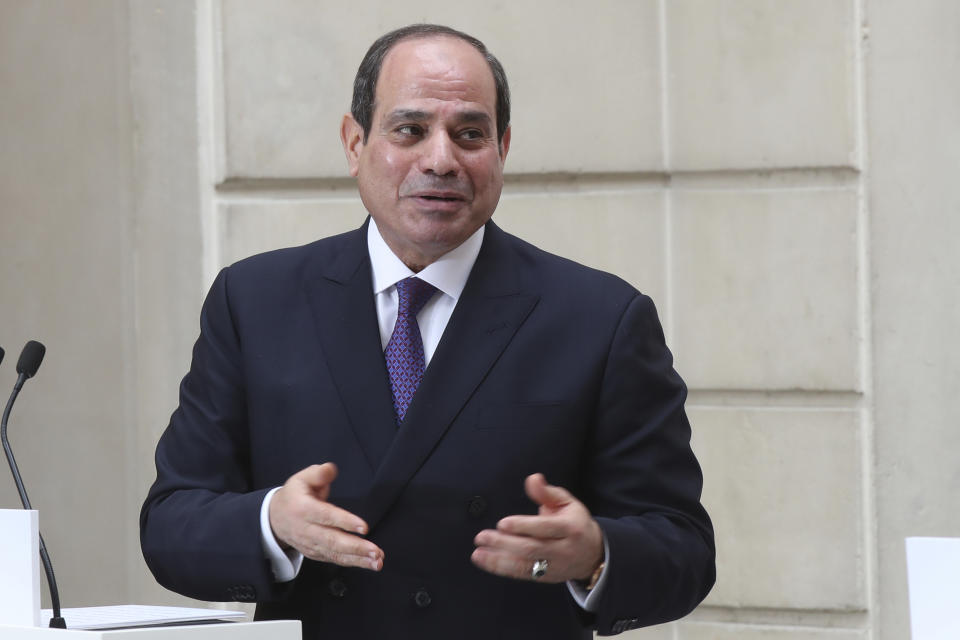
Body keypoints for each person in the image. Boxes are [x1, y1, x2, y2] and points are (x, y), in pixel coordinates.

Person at [140, 23, 714, 639]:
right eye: (410, 130)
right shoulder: (256, 301)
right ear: (354, 142)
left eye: (470, 134)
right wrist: (270, 523)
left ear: (503, 148)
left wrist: (596, 553)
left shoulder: (599, 317)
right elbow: (171, 523)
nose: (441, 159)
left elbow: (682, 547)